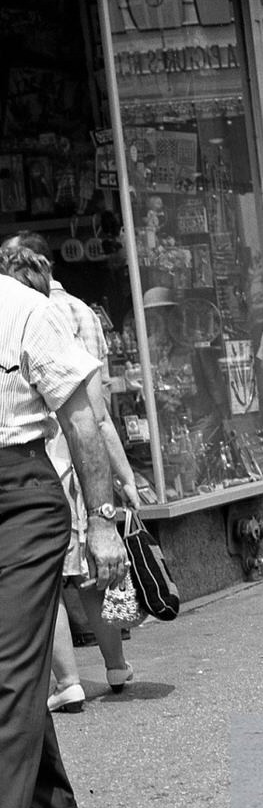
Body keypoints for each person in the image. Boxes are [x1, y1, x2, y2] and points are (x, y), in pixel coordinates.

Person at [0, 266, 127, 808]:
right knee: (11, 669)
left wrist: (104, 526)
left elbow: (84, 420)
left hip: (18, 501)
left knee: (10, 672)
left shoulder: (24, 310)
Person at [0, 243, 141, 707]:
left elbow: (88, 418)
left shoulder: (32, 314)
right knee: (87, 574)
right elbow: (96, 415)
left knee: (56, 582)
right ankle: (114, 665)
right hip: (72, 465)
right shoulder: (80, 311)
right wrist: (124, 480)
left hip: (49, 467)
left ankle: (68, 681)